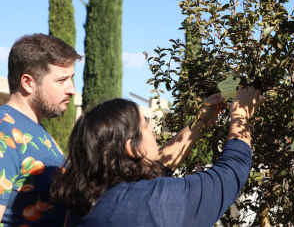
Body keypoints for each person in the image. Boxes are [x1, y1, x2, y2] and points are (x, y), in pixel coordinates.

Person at [52, 87, 267, 227]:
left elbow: (154, 166)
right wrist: (240, 115)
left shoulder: (85, 201)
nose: (153, 130)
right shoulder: (152, 202)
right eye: (146, 126)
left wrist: (200, 122)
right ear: (132, 148)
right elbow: (230, 173)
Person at [0, 33, 82, 226]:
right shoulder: (5, 131)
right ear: (28, 83)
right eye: (62, 80)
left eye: (71, 78)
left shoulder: (33, 127)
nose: (72, 89)